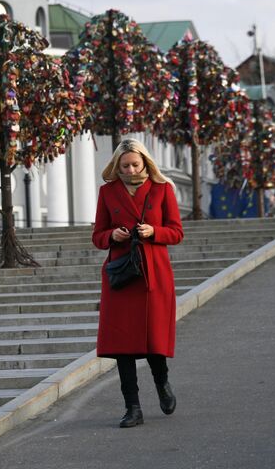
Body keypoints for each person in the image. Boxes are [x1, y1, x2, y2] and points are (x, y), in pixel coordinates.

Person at [92, 138, 184, 428]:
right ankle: (132, 407)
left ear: (145, 162)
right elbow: (97, 236)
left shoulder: (162, 189)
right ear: (116, 166)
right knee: (123, 346)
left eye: (135, 164)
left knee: (153, 339)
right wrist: (112, 236)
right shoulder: (108, 193)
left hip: (153, 274)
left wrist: (154, 231)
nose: (130, 170)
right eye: (125, 166)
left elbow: (177, 232)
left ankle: (162, 383)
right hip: (121, 276)